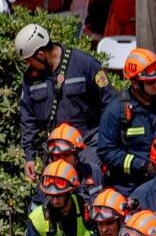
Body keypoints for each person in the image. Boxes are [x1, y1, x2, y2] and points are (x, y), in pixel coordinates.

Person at [16, 23, 115, 184]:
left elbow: (110, 104)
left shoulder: (84, 64)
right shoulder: (31, 78)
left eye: (29, 61)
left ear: (40, 55)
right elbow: (28, 117)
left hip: (89, 147)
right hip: (57, 151)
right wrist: (29, 156)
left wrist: (106, 143)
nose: (28, 66)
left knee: (88, 191)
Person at [97, 47, 156, 196]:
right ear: (135, 83)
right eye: (150, 82)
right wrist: (142, 165)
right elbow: (107, 150)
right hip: (131, 190)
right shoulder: (116, 110)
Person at [46, 123, 103, 203]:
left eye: (67, 155)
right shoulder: (47, 180)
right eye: (57, 156)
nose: (62, 160)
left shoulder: (93, 172)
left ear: (76, 155)